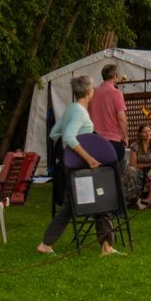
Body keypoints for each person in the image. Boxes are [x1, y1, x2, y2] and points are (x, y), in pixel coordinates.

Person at [37, 75, 116, 257]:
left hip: (71, 168)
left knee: (73, 207)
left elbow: (54, 133)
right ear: (89, 92)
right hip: (80, 168)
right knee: (101, 201)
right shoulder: (80, 112)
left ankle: (46, 243)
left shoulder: (71, 109)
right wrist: (88, 158)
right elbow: (69, 137)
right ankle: (107, 247)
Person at [90, 63, 129, 166]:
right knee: (117, 169)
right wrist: (125, 137)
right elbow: (122, 118)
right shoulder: (116, 93)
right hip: (112, 141)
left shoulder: (93, 92)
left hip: (95, 141)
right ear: (115, 75)